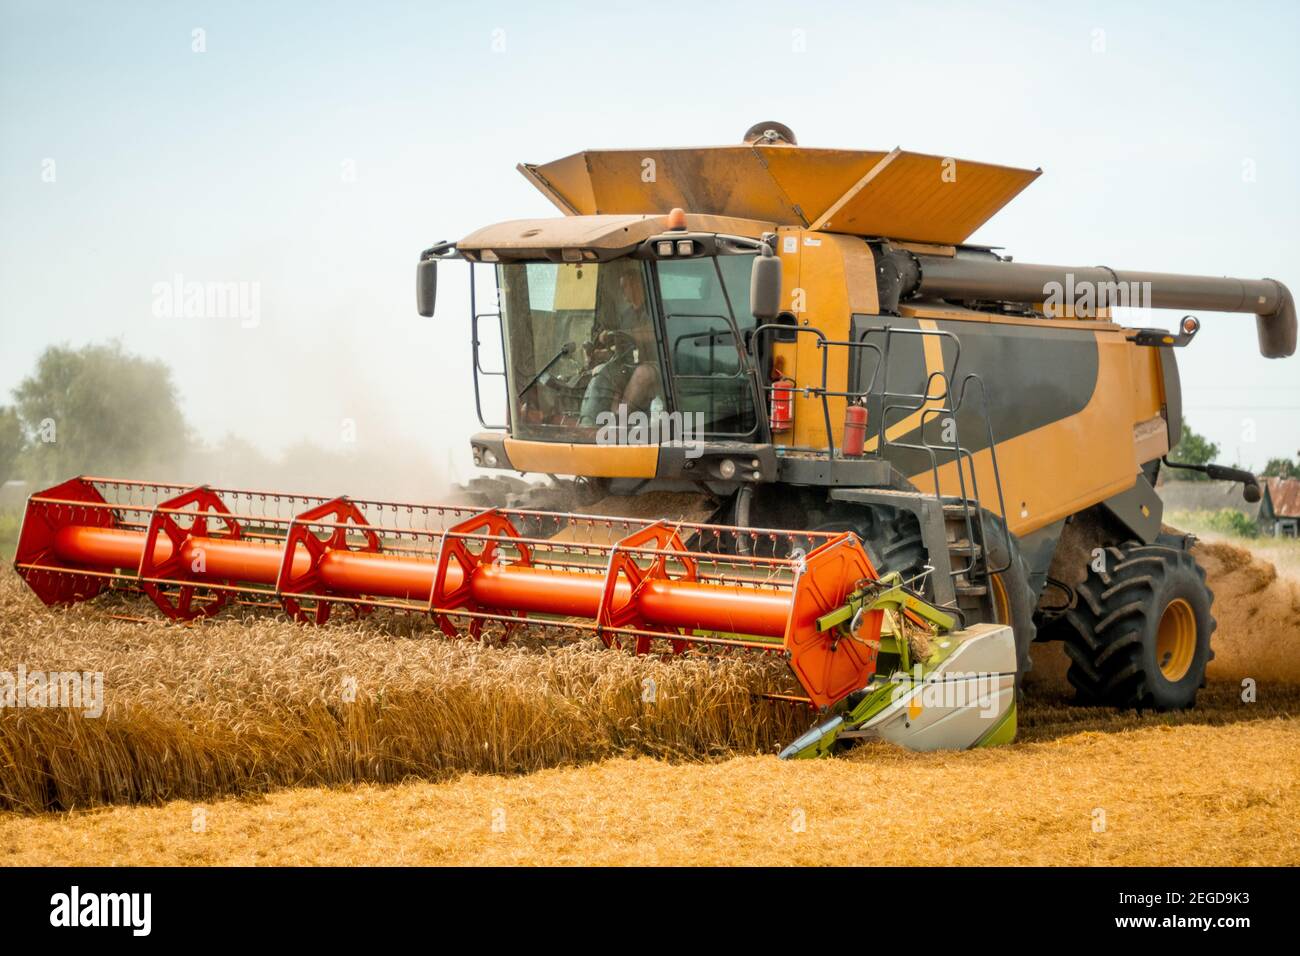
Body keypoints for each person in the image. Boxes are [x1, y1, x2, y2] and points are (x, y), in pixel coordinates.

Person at [578, 265, 663, 427]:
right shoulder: (626, 315)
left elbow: (653, 332)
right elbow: (620, 351)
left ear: (636, 284)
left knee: (642, 373)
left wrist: (619, 333)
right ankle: (590, 423)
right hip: (630, 364)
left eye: (625, 286)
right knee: (603, 371)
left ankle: (620, 420)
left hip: (660, 367)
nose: (623, 291)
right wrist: (599, 354)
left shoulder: (655, 309)